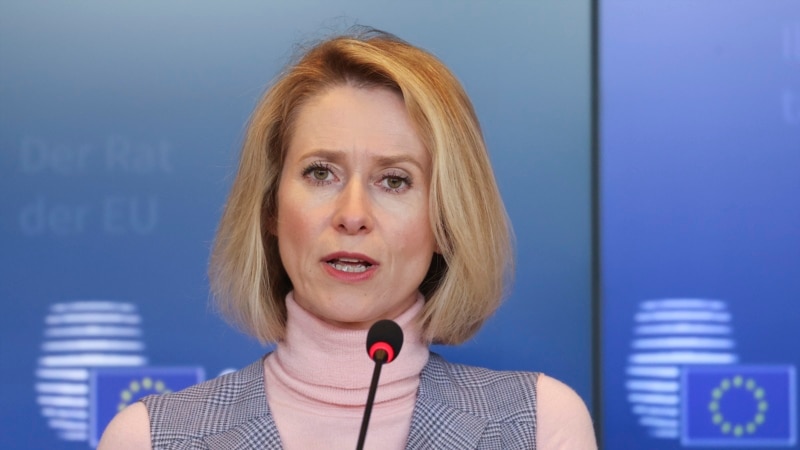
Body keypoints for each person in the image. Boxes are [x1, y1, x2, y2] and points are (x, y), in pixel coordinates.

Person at [99, 28, 597, 449]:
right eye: (321, 173)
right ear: (270, 207)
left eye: (394, 180)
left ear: (447, 222)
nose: (353, 215)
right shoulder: (151, 438)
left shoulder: (534, 425)